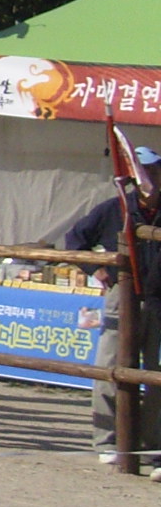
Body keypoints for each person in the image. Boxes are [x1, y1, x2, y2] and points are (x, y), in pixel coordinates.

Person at [65, 147, 161, 470]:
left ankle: (152, 445)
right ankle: (106, 439)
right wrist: (96, 268)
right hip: (123, 295)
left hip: (159, 298)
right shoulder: (115, 208)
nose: (150, 178)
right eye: (143, 172)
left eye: (154, 171)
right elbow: (75, 239)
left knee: (155, 373)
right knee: (109, 368)